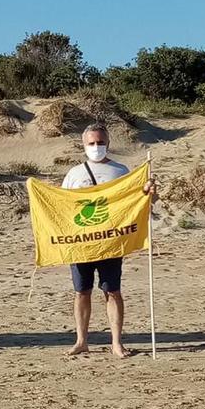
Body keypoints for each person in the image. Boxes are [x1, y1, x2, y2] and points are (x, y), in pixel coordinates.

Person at [60, 123, 155, 358]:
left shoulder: (121, 171)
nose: (96, 147)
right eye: (91, 143)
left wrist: (149, 192)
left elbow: (138, 202)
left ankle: (116, 342)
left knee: (112, 291)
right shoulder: (74, 173)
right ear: (83, 145)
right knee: (82, 291)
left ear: (108, 144)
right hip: (82, 243)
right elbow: (62, 206)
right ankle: (81, 341)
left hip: (112, 241)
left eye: (100, 142)